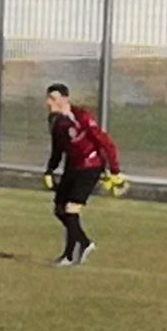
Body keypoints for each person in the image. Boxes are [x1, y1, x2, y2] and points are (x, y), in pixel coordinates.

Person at [44, 82, 123, 267]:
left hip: (90, 167)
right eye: (48, 98)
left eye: (53, 99)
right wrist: (50, 169)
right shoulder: (55, 122)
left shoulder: (82, 117)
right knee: (59, 209)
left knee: (71, 209)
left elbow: (106, 143)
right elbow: (57, 149)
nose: (49, 103)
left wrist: (115, 171)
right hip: (72, 168)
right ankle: (79, 248)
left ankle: (75, 251)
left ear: (65, 99)